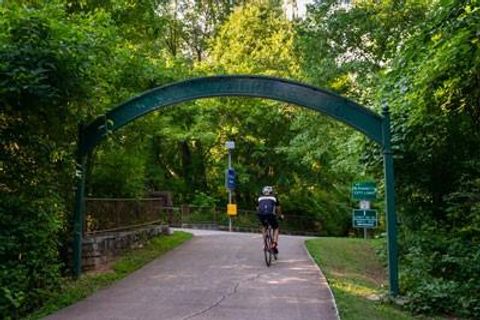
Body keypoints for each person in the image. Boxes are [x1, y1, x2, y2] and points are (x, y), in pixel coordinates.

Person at [257, 186, 282, 254]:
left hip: (261, 215)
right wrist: (280, 216)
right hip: (270, 215)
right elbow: (278, 209)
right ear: (271, 192)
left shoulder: (260, 198)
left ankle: (264, 244)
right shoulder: (274, 197)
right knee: (276, 228)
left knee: (264, 226)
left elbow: (257, 208)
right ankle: (274, 244)